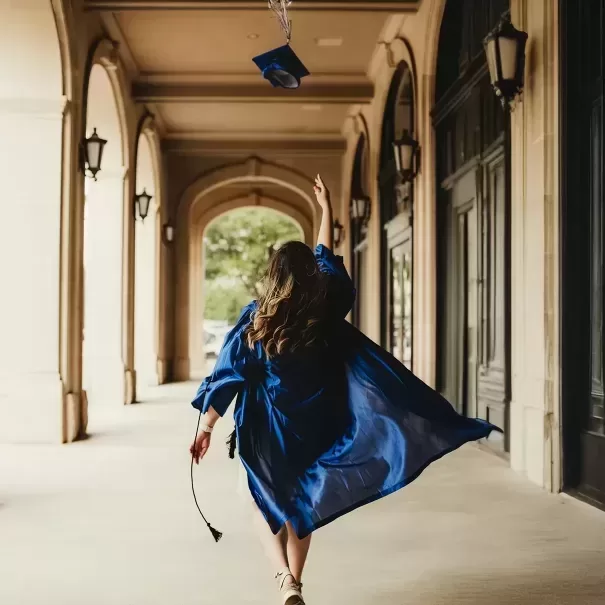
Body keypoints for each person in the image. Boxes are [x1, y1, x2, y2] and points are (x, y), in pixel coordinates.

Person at [190, 175, 500, 605]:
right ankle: (295, 583)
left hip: (268, 429)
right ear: (309, 277)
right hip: (315, 424)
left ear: (274, 277)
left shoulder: (257, 323)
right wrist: (326, 210)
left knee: (259, 495)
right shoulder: (325, 308)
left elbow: (229, 376)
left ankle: (284, 579)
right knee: (302, 505)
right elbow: (326, 258)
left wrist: (206, 427)